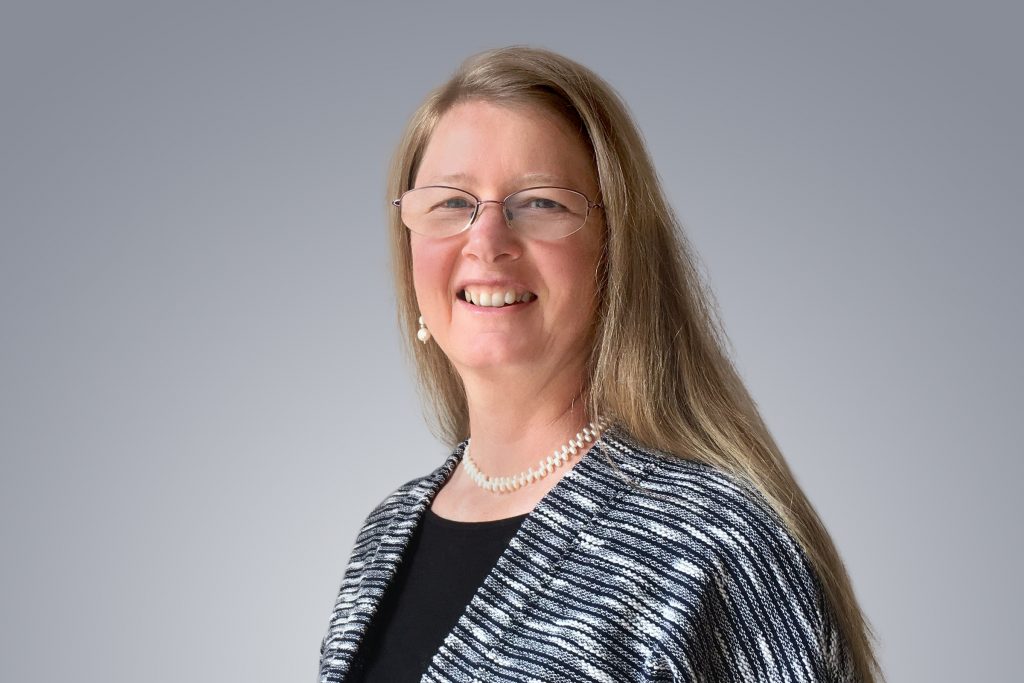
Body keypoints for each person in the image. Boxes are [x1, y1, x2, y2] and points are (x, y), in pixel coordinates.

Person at [318, 45, 882, 683]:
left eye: (540, 204)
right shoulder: (385, 536)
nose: (486, 241)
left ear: (616, 253)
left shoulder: (714, 542)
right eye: (450, 203)